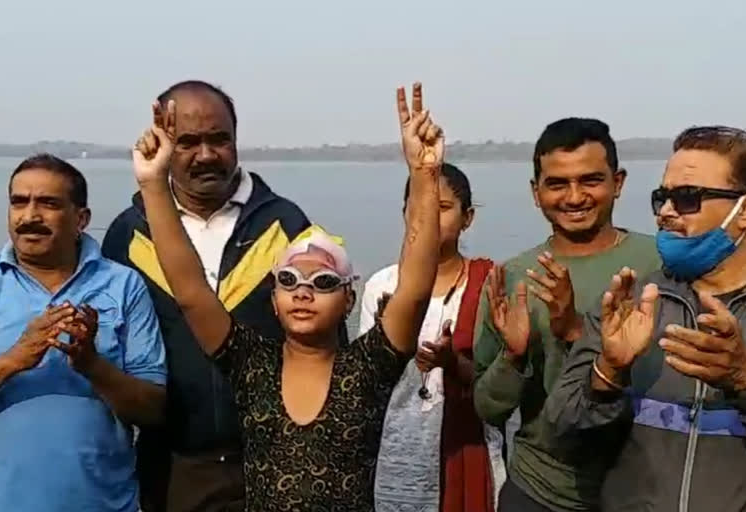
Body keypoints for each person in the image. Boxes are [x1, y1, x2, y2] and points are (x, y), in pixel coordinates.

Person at [130, 82, 443, 510]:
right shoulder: (250, 364)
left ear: (349, 301)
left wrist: (424, 176)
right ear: (272, 299)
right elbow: (190, 291)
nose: (304, 292)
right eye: (290, 280)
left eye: (325, 283)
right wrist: (153, 185)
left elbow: (415, 286)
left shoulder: (369, 367)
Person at [102, 80, 313, 511]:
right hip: (171, 466)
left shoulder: (286, 225)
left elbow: (322, 346)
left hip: (270, 461)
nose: (206, 155)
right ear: (163, 142)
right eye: (188, 142)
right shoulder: (130, 234)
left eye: (220, 140)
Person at [547, 126, 746, 512]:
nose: (665, 212)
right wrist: (608, 373)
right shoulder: (632, 303)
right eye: (662, 197)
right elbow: (562, 432)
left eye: (687, 197)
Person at [473, 118, 660, 511]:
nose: (574, 197)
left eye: (591, 180)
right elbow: (489, 409)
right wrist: (514, 356)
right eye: (557, 184)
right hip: (539, 489)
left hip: (644, 489)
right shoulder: (512, 279)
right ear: (535, 192)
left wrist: (575, 330)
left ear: (619, 182)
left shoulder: (659, 265)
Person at [0, 154, 167, 511]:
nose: (30, 217)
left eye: (49, 203)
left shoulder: (123, 285)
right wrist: (14, 360)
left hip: (104, 503)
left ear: (81, 219)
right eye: (19, 202)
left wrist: (91, 364)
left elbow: (153, 410)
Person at [358, 162, 505, 512]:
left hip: (467, 447)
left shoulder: (489, 285)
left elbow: (501, 384)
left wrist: (451, 362)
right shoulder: (383, 287)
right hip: (396, 449)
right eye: (419, 206)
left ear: (467, 217)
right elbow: (366, 385)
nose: (429, 218)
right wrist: (389, 345)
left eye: (442, 208)